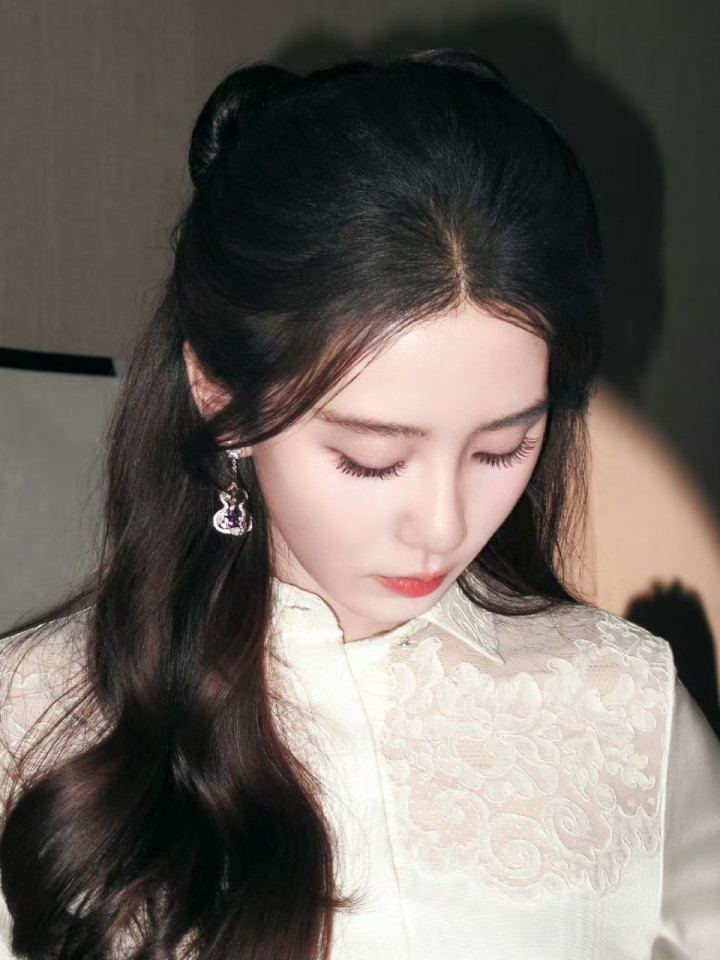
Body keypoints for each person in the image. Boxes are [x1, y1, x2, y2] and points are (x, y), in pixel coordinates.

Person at [0, 49, 718, 960]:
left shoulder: (625, 710)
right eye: (372, 459)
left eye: (503, 448)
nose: (444, 525)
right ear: (219, 398)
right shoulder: (27, 719)